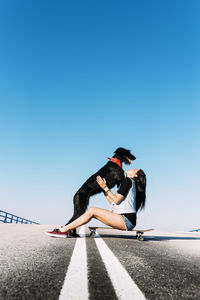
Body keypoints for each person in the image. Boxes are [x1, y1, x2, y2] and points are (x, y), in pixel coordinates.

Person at [46, 168, 146, 237]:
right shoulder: (129, 183)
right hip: (125, 220)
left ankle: (64, 230)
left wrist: (106, 188)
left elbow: (115, 199)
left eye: (134, 169)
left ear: (135, 175)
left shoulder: (128, 181)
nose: (132, 168)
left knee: (92, 210)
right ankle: (66, 229)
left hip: (125, 220)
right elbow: (113, 203)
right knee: (92, 211)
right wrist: (103, 187)